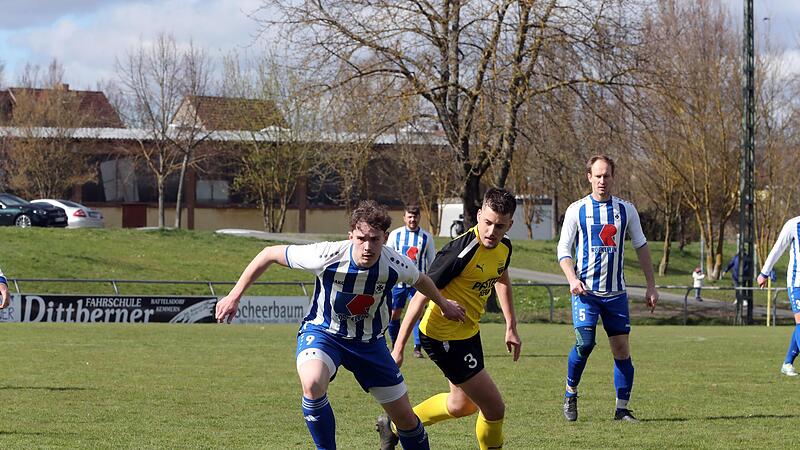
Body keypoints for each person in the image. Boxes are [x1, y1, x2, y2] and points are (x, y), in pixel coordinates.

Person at [215, 200, 466, 450]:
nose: (367, 246)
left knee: (406, 420)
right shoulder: (326, 255)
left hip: (370, 344)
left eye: (375, 239)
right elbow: (268, 254)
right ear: (350, 236)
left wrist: (444, 305)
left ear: (385, 238)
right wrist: (234, 295)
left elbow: (421, 280)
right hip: (325, 334)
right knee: (312, 382)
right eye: (361, 238)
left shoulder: (394, 263)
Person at [377, 188, 522, 450]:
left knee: (460, 405)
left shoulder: (505, 246)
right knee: (494, 407)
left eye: (500, 226)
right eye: (487, 223)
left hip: (468, 333)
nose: (492, 231)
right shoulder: (459, 253)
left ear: (509, 224)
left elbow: (501, 278)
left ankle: (396, 426)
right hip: (442, 336)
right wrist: (398, 348)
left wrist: (511, 326)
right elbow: (420, 297)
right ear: (478, 216)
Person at [556, 154, 658, 423]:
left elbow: (641, 246)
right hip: (586, 293)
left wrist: (651, 286)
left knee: (622, 350)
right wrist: (571, 278)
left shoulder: (627, 210)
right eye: (597, 175)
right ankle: (570, 392)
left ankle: (622, 409)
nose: (602, 180)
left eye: (607, 175)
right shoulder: (576, 209)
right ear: (589, 177)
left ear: (613, 177)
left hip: (616, 294)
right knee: (584, 343)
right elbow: (563, 249)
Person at [387, 205, 436, 359]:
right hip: (399, 283)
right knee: (395, 314)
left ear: (419, 217)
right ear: (404, 217)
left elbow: (432, 261)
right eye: (409, 216)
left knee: (418, 314)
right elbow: (388, 257)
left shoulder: (426, 237)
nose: (412, 219)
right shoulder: (395, 235)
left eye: (415, 216)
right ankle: (395, 345)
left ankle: (417, 347)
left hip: (418, 284)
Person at [757, 215, 800, 377]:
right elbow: (778, 248)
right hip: (797, 282)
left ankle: (787, 363)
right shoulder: (794, 224)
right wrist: (764, 273)